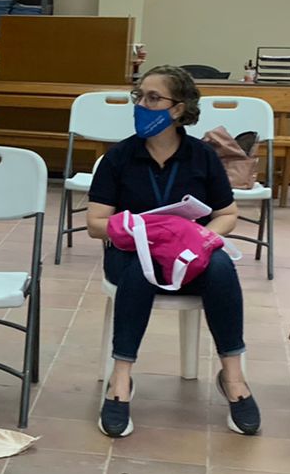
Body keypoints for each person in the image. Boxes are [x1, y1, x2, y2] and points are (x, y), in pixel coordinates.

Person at [87, 64, 260, 439]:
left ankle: (233, 378)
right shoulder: (119, 157)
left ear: (178, 108)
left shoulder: (203, 156)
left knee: (221, 268)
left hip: (188, 257)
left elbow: (227, 214)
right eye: (139, 97)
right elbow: (95, 223)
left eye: (153, 98)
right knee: (139, 270)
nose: (141, 105)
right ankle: (120, 380)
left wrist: (201, 238)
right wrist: (136, 229)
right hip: (132, 252)